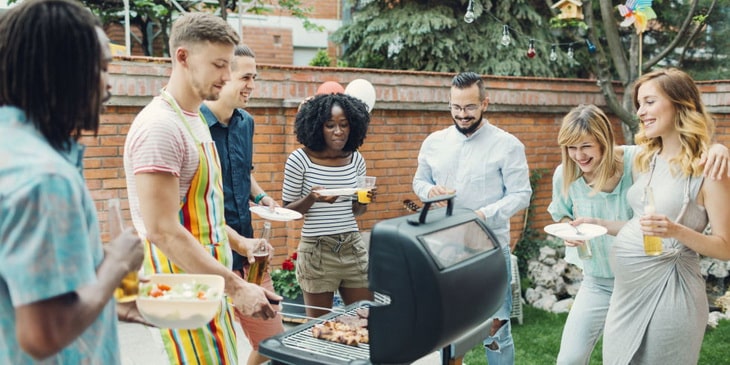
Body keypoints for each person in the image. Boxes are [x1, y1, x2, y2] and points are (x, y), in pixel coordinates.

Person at [123, 12, 279, 364]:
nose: (227, 76)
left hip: (206, 286)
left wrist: (240, 242)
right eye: (219, 65)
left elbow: (196, 212)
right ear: (182, 57)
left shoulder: (192, 119)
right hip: (180, 291)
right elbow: (162, 229)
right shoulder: (160, 127)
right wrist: (237, 286)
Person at [0, 0, 144, 362]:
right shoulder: (44, 178)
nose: (109, 84)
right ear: (63, 71)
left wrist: (107, 303)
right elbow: (43, 333)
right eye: (102, 67)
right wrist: (116, 265)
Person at [548, 105, 728, 364]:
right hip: (597, 282)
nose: (578, 155)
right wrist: (569, 228)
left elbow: (681, 153)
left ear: (605, 141)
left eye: (586, 146)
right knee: (569, 359)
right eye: (570, 148)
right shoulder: (564, 174)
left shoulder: (638, 161)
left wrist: (717, 149)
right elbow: (562, 213)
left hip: (644, 282)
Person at [602, 68, 730, 364]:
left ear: (679, 103)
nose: (640, 112)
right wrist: (597, 224)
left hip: (672, 295)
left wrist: (677, 232)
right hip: (626, 297)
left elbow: (725, 246)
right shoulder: (645, 158)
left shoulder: (708, 168)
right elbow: (642, 226)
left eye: (648, 102)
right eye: (638, 104)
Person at [413, 72, 532, 364]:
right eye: (455, 107)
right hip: (445, 247)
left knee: (496, 329)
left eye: (469, 107)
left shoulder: (508, 145)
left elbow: (521, 194)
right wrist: (430, 190)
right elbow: (419, 181)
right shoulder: (434, 142)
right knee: (449, 330)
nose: (462, 114)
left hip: (489, 248)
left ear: (485, 103)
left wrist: (484, 214)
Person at [202, 44, 284, 365]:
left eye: (255, 77)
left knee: (274, 341)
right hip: (210, 257)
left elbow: (244, 171)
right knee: (216, 352)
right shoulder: (194, 127)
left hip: (252, 256)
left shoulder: (246, 122)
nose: (252, 84)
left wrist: (262, 197)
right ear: (223, 76)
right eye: (245, 77)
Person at [282, 93, 374, 318]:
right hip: (317, 250)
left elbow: (357, 212)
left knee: (368, 321)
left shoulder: (355, 159)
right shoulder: (299, 160)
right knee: (320, 326)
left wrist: (364, 199)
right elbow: (288, 211)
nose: (338, 131)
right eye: (330, 125)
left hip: (352, 246)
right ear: (316, 127)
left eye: (344, 125)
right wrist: (312, 198)